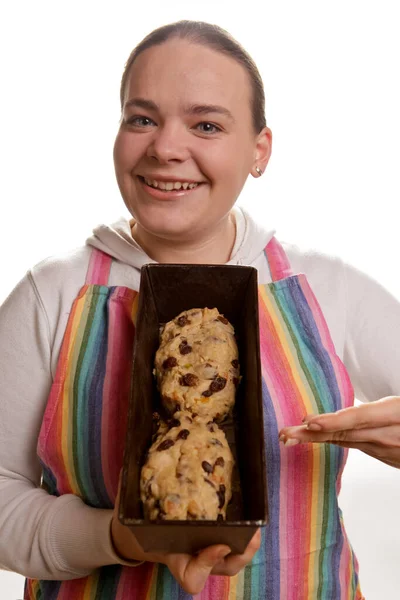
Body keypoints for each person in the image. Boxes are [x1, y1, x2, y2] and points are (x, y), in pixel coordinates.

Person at [0, 19, 399, 600]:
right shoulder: (50, 294)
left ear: (260, 150)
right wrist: (116, 537)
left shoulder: (330, 287)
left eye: (206, 124)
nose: (165, 147)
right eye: (142, 118)